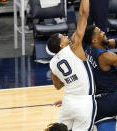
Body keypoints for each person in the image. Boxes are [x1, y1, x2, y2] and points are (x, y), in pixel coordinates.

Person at [46, 0, 96, 130]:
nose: (66, 36)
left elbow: (57, 86)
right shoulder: (74, 47)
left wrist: (70, 77)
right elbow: (84, 14)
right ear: (61, 45)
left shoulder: (52, 63)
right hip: (84, 102)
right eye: (63, 36)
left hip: (68, 103)